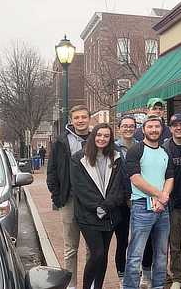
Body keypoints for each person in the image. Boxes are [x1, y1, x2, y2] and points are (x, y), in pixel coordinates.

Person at [123, 115, 174, 289]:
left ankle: (158, 285)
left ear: (161, 129)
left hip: (162, 207)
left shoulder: (166, 151)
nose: (154, 130)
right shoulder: (136, 150)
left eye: (157, 127)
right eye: (150, 127)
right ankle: (131, 286)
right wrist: (159, 195)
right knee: (136, 252)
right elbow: (135, 179)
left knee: (161, 253)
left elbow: (170, 177)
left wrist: (163, 197)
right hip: (141, 206)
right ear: (143, 129)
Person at [70, 123, 123, 289]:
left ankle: (98, 286)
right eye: (99, 135)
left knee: (104, 255)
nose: (102, 139)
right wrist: (98, 207)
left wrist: (107, 206)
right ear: (93, 137)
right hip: (88, 215)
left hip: (110, 215)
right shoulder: (78, 159)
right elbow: (81, 188)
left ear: (110, 138)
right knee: (97, 253)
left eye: (106, 136)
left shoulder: (116, 157)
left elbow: (117, 187)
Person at [47, 105, 92, 289]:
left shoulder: (98, 138)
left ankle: (90, 284)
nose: (80, 120)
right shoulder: (61, 141)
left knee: (92, 248)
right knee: (70, 247)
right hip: (69, 200)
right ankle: (71, 285)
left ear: (89, 119)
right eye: (77, 118)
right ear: (71, 120)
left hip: (91, 202)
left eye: (84, 117)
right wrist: (57, 197)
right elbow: (53, 171)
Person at [163, 114, 181, 289]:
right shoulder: (165, 148)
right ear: (170, 128)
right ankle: (177, 277)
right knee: (175, 245)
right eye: (175, 125)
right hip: (173, 204)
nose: (179, 128)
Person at [115, 115, 137, 287]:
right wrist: (125, 196)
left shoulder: (141, 146)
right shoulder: (112, 148)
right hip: (121, 203)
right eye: (125, 126)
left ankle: (142, 273)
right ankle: (122, 277)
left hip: (140, 200)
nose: (128, 129)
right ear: (119, 128)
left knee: (140, 239)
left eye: (131, 126)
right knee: (122, 240)